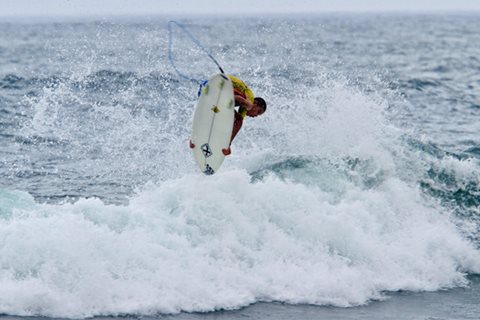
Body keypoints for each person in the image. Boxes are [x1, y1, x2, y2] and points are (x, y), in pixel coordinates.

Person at [190, 74, 267, 156]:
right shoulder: (250, 98)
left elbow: (238, 122)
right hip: (214, 86)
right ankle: (221, 143)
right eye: (258, 112)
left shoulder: (243, 106)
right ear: (255, 103)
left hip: (204, 91)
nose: (255, 116)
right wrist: (228, 144)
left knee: (217, 115)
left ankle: (196, 139)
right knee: (232, 116)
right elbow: (236, 101)